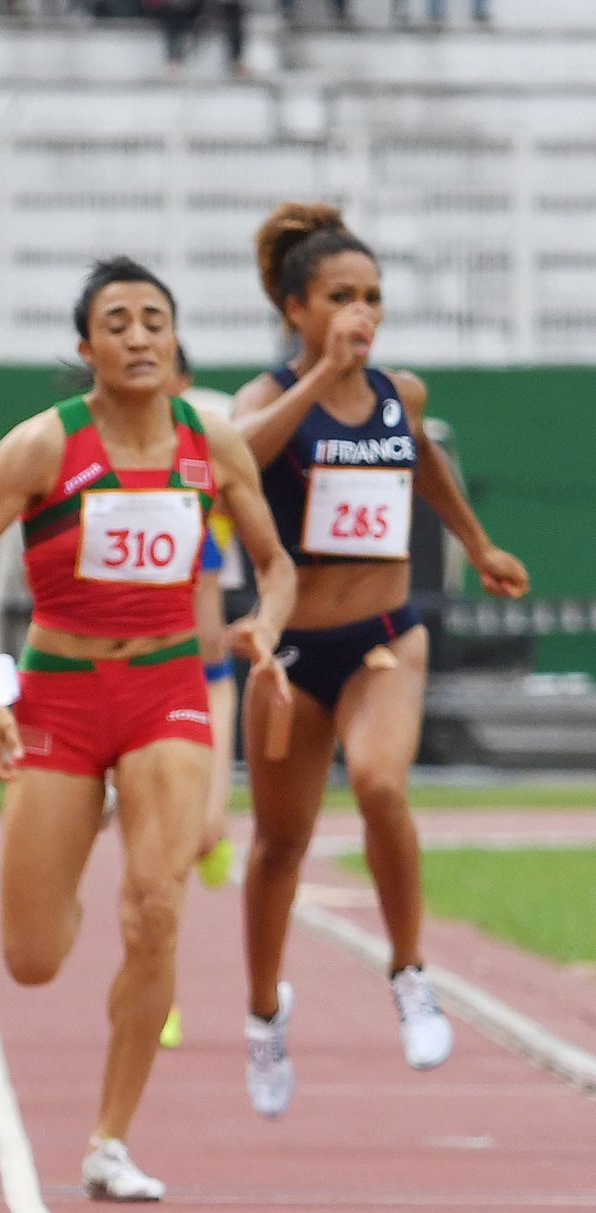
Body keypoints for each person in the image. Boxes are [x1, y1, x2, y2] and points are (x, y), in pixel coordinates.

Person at [0, 257, 295, 1201]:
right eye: (116, 322)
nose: (137, 336)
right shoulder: (43, 446)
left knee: (157, 911)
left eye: (153, 319)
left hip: (167, 688)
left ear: (173, 340)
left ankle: (110, 1140)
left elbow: (277, 563)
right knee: (33, 958)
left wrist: (265, 629)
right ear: (87, 349)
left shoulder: (214, 441)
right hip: (61, 692)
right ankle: (73, 872)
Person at [231, 203, 527, 1118]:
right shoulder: (260, 397)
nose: (362, 312)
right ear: (296, 307)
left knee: (382, 786)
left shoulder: (402, 391)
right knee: (280, 842)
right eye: (341, 297)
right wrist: (321, 374)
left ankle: (409, 971)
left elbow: (423, 467)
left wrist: (476, 545)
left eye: (373, 297)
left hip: (385, 636)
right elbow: (237, 458)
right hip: (289, 650)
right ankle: (265, 1012)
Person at [159, 346, 242, 1051]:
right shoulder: (96, 459)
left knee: (204, 830)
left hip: (209, 675)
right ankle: (162, 994)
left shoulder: (212, 451)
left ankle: (218, 835)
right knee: (162, 847)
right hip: (146, 675)